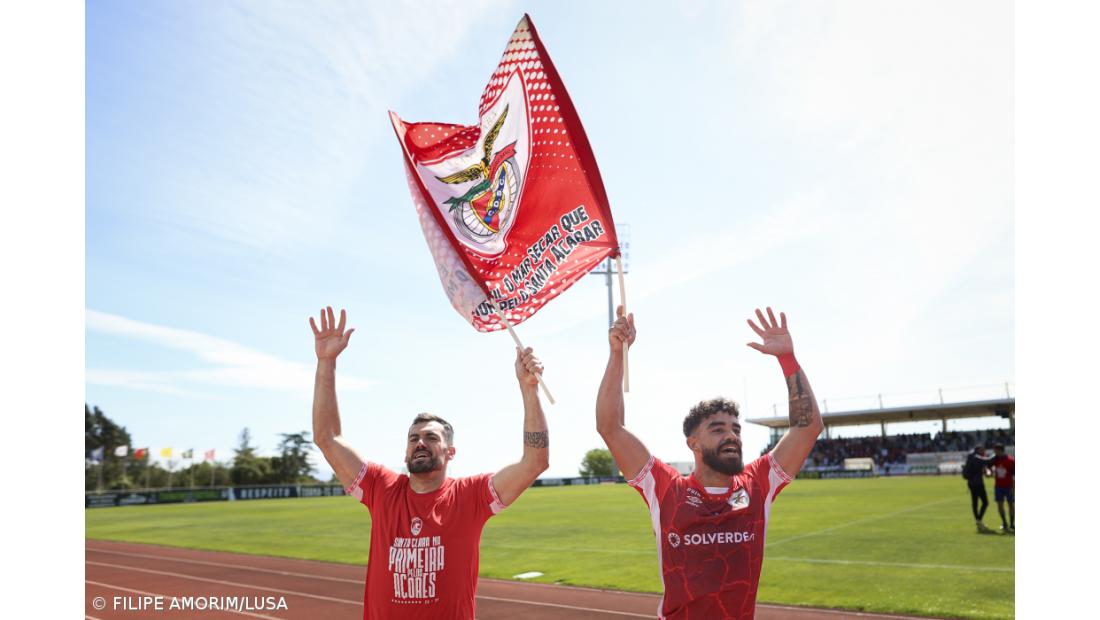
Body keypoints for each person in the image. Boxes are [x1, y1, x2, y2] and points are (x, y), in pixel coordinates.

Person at [308, 306, 549, 619]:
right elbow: (327, 437)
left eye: (431, 438)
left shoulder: (470, 496)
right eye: (413, 438)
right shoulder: (382, 488)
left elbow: (535, 462)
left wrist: (529, 389)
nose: (420, 443)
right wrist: (326, 362)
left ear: (450, 452)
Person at [596, 306, 824, 619]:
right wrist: (617, 354)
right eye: (718, 430)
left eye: (735, 429)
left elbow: (807, 428)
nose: (732, 436)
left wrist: (787, 359)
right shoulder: (666, 489)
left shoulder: (758, 483)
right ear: (693, 443)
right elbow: (610, 427)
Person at [962, 446, 995, 532]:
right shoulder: (976, 457)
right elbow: (988, 461)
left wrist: (987, 472)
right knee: (985, 502)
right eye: (983, 449)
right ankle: (978, 520)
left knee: (975, 503)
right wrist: (995, 455)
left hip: (971, 483)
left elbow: (984, 468)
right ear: (978, 450)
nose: (984, 451)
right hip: (978, 484)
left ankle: (978, 522)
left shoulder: (972, 457)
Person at [991, 442, 1015, 532]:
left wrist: (1013, 488)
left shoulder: (1011, 460)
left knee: (1011, 505)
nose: (994, 452)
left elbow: (1014, 475)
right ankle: (1004, 523)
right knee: (1000, 505)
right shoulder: (994, 460)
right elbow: (989, 469)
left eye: (995, 450)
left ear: (999, 450)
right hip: (998, 486)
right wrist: (989, 472)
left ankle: (1012, 524)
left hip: (1009, 486)